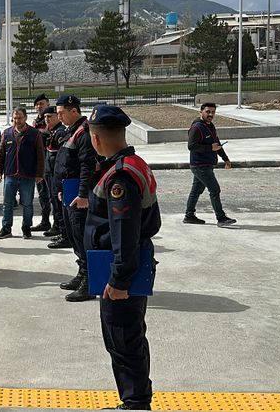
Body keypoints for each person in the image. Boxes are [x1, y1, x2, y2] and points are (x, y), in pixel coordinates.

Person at [85, 105, 161, 411]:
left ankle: (135, 403)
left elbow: (124, 234)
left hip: (121, 273)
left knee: (123, 341)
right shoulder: (132, 163)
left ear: (96, 139)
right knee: (129, 337)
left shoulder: (121, 177)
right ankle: (136, 399)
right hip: (124, 267)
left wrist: (118, 280)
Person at [53, 94, 98, 302]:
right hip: (68, 190)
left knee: (82, 237)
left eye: (62, 113)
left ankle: (89, 282)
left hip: (79, 194)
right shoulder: (71, 130)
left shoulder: (84, 132)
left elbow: (86, 166)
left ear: (74, 111)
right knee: (73, 236)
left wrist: (82, 194)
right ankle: (82, 273)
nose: (59, 116)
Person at [184, 102, 237, 227]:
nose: (210, 114)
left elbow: (216, 144)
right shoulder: (197, 127)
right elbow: (191, 146)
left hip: (205, 165)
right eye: (208, 112)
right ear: (201, 112)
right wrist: (209, 148)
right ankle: (221, 218)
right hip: (200, 165)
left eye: (213, 112)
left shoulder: (211, 126)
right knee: (215, 190)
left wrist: (226, 159)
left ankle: (189, 216)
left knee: (196, 191)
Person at [0, 106, 45, 239]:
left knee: (27, 204)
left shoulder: (34, 134)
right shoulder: (6, 133)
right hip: (10, 174)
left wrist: (40, 173)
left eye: (20, 118)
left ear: (25, 118)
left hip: (27, 175)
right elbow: (1, 153)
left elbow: (40, 155)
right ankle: (6, 228)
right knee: (7, 204)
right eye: (15, 118)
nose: (17, 120)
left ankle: (26, 227)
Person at [40, 106, 67, 238]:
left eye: (50, 116)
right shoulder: (50, 131)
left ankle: (60, 228)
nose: (47, 119)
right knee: (52, 199)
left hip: (56, 174)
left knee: (57, 201)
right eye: (45, 117)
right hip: (49, 172)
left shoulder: (60, 132)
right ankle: (58, 227)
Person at [30, 94, 53, 232]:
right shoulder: (36, 122)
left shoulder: (52, 120)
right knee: (42, 194)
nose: (39, 106)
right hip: (39, 163)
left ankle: (58, 224)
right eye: (37, 104)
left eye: (42, 104)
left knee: (53, 194)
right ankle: (45, 221)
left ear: (48, 104)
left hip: (49, 162)